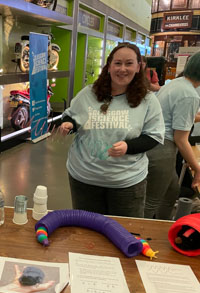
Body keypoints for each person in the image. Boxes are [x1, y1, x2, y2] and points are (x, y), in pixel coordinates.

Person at [59, 43, 165, 217]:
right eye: (117, 63)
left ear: (138, 67)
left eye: (129, 63)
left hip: (126, 183)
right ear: (109, 66)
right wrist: (69, 125)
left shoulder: (148, 100)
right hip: (84, 179)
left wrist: (128, 147)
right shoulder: (89, 93)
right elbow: (72, 116)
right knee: (87, 232)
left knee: (124, 233)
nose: (122, 69)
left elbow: (154, 136)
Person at [145, 51, 200, 220]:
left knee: (171, 191)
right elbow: (180, 139)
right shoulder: (189, 94)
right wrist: (197, 168)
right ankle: (137, 236)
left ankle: (163, 226)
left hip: (155, 143)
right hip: (163, 148)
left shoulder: (175, 83)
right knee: (151, 202)